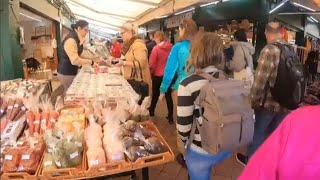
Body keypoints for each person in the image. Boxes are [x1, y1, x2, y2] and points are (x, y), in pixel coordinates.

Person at [177, 32, 232, 180]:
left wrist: (183, 147)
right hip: (226, 146)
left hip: (200, 151)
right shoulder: (229, 79)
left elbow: (183, 128)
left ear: (195, 52)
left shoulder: (188, 84)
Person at [236, 22, 289, 165]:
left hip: (269, 103)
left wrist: (251, 101)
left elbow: (260, 81)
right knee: (272, 135)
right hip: (286, 103)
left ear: (267, 33)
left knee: (257, 133)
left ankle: (251, 162)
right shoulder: (289, 49)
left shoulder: (269, 50)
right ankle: (267, 162)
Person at [239, 105, 320, 180]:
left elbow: (259, 173)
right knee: (273, 131)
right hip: (286, 104)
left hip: (269, 103)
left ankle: (249, 159)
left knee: (259, 131)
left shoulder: (303, 118)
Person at [158, 18, 198, 166]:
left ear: (183, 30)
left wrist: (163, 90)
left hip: (182, 88)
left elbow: (169, 71)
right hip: (200, 87)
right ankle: (196, 150)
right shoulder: (200, 46)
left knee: (182, 122)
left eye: (179, 29)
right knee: (196, 120)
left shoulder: (178, 47)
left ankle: (184, 155)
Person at [57, 20, 99, 92]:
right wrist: (91, 62)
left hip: (71, 71)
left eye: (87, 31)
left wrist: (95, 58)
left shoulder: (77, 38)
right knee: (69, 94)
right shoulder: (71, 40)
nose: (86, 33)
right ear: (79, 28)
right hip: (66, 73)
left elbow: (81, 53)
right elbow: (75, 60)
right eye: (85, 30)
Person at [115, 23, 152, 96]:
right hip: (131, 81)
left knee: (138, 105)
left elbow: (141, 64)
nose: (121, 36)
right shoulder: (130, 44)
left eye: (122, 33)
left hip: (138, 82)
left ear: (129, 32)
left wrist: (124, 63)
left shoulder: (138, 45)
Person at [148, 31, 173, 123]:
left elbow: (152, 64)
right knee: (168, 96)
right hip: (168, 76)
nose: (154, 40)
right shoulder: (171, 47)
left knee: (155, 95)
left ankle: (151, 111)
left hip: (158, 76)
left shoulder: (156, 49)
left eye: (155, 38)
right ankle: (170, 117)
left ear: (158, 38)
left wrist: (151, 73)